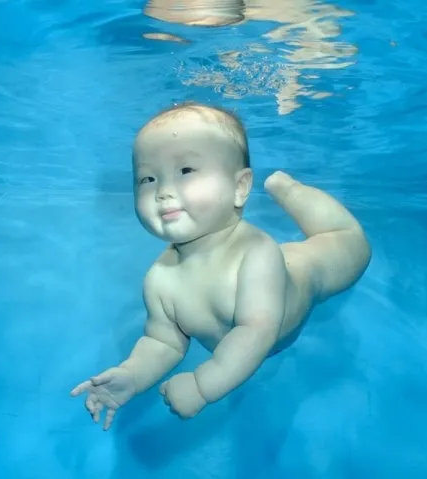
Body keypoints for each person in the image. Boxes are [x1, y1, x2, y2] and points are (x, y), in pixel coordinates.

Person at [70, 102, 371, 430]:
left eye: (186, 170)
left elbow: (256, 331)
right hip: (272, 313)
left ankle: (288, 190)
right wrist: (132, 375)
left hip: (310, 271)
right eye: (148, 178)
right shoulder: (159, 279)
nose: (163, 192)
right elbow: (163, 342)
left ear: (239, 188)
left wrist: (203, 385)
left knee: (349, 240)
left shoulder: (257, 253)